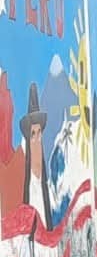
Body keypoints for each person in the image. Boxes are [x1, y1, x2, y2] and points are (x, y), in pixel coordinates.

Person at [20, 83, 52, 230]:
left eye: (39, 133)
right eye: (33, 134)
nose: (37, 140)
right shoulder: (24, 183)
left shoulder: (49, 186)